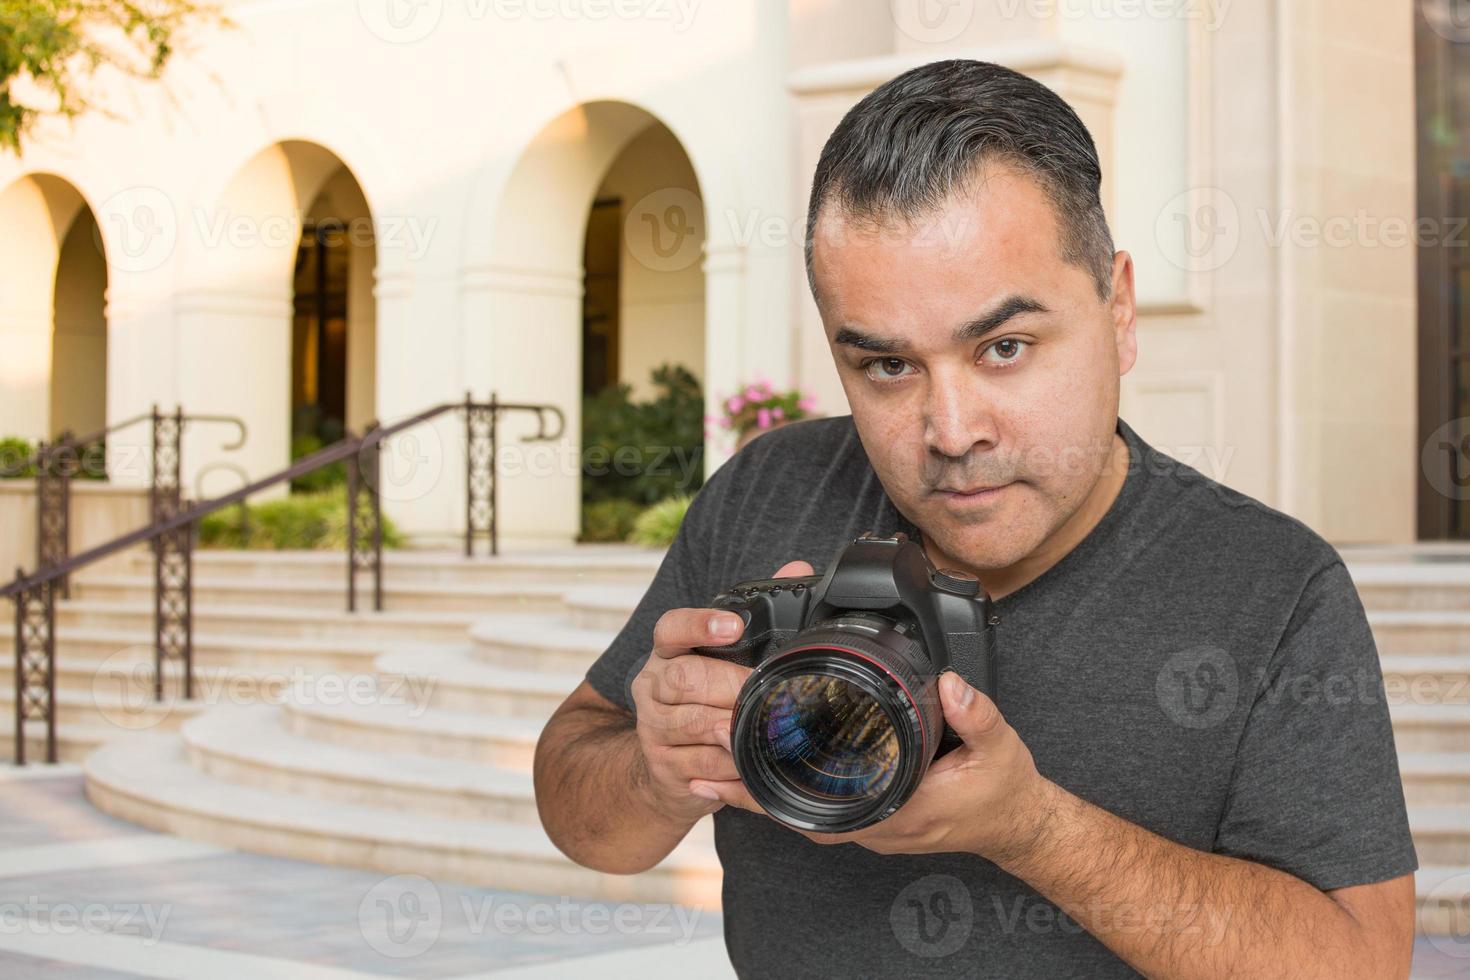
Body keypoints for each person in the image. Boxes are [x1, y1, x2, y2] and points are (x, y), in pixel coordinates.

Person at [533, 58, 1418, 978]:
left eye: (1003, 347)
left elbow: (1361, 963)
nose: (951, 433)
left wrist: (1033, 828)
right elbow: (583, 816)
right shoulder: (771, 489)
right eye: (885, 366)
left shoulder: (1269, 586)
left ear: (1118, 309)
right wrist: (656, 768)